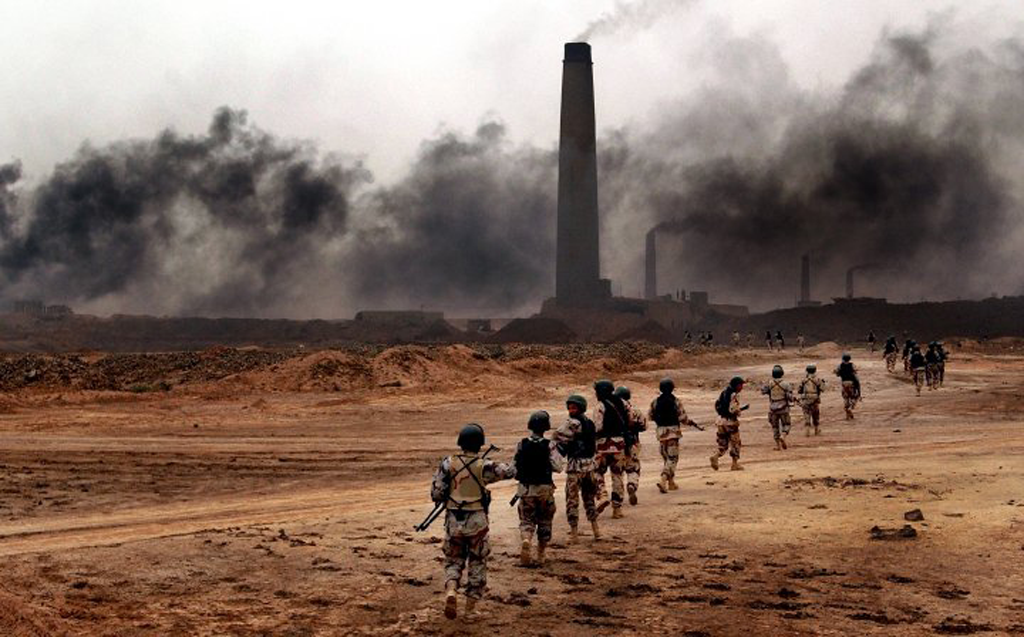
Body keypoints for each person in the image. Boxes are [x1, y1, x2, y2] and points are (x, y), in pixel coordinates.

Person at [431, 423, 515, 619]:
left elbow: (436, 493)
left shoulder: (447, 463)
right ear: (480, 444)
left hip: (453, 520)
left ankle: (451, 590)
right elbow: (510, 471)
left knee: (453, 560)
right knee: (477, 561)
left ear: (460, 442)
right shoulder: (485, 465)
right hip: (477, 520)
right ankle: (470, 609)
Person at [514, 411, 565, 567]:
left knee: (526, 520)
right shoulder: (550, 445)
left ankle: (526, 540)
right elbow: (558, 467)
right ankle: (541, 554)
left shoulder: (521, 444)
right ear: (546, 427)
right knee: (545, 521)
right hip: (544, 489)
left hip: (525, 489)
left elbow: (514, 468)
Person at [552, 395, 602, 542]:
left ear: (580, 408)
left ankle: (574, 533)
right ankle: (596, 530)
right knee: (589, 499)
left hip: (576, 467)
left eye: (573, 407)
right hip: (590, 466)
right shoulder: (590, 423)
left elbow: (557, 437)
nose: (570, 410)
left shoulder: (572, 423)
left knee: (572, 500)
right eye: (569, 407)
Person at [648, 377, 703, 493]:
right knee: (673, 458)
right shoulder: (676, 401)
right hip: (673, 433)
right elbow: (683, 418)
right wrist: (691, 423)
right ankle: (663, 479)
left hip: (661, 433)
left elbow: (650, 416)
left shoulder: (655, 402)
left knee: (666, 458)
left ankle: (671, 483)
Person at [592, 380, 630, 519]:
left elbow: (597, 427)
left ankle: (602, 495)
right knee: (618, 475)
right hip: (619, 444)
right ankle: (617, 509)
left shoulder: (600, 406)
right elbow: (630, 420)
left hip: (602, 445)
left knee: (597, 472)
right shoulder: (623, 403)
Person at [614, 386, 647, 506]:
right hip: (632, 442)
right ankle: (632, 485)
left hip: (617, 445)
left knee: (618, 472)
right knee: (633, 468)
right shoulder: (634, 410)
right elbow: (644, 426)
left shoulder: (612, 410)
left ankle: (618, 497)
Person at [710, 376, 747, 471]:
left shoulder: (724, 392)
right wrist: (739, 411)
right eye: (741, 385)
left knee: (722, 443)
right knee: (736, 443)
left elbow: (718, 404)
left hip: (721, 421)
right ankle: (735, 464)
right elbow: (733, 409)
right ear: (737, 385)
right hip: (730, 422)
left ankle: (716, 456)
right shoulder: (734, 394)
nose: (742, 387)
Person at [761, 365, 794, 451]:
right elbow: (790, 397)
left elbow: (763, 391)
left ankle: (777, 445)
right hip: (784, 408)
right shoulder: (786, 384)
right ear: (782, 373)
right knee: (786, 424)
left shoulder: (770, 383)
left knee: (775, 427)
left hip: (773, 409)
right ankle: (783, 436)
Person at [798, 364, 825, 436]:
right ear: (815, 371)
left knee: (806, 413)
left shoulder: (804, 380)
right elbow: (822, 389)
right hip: (815, 399)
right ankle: (816, 429)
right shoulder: (817, 380)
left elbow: (799, 390)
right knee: (815, 414)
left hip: (805, 398)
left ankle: (807, 429)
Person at [834, 353, 860, 419]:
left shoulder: (840, 365)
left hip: (844, 383)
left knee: (846, 398)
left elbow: (836, 373)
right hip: (851, 383)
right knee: (854, 397)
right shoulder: (852, 365)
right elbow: (856, 371)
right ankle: (850, 408)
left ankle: (847, 414)